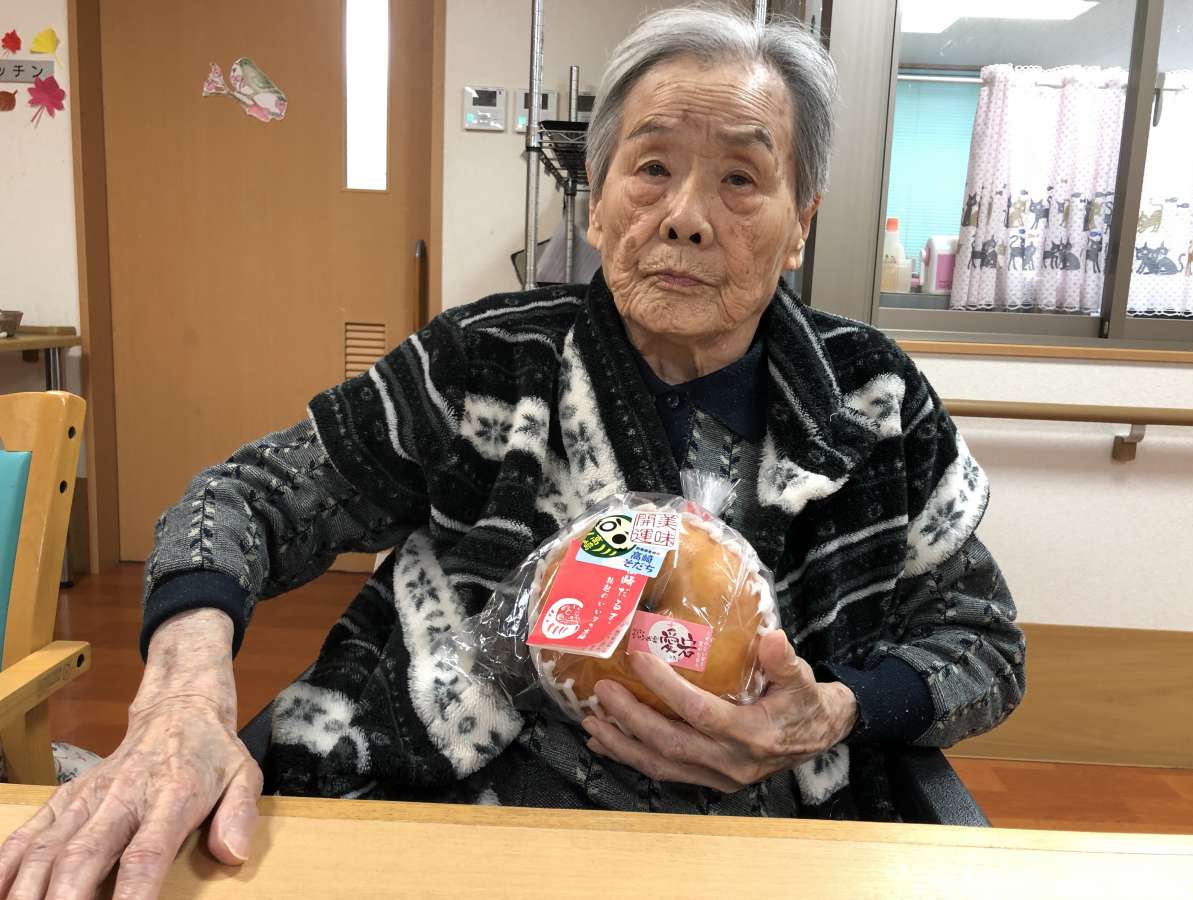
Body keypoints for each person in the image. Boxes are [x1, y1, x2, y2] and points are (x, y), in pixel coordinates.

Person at [0, 5, 1025, 897]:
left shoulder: (870, 399)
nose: (685, 218)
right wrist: (182, 698)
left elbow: (983, 643)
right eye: (652, 167)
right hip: (436, 821)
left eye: (742, 179)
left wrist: (833, 712)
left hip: (753, 853)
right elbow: (246, 497)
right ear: (598, 199)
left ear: (800, 223)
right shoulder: (487, 362)